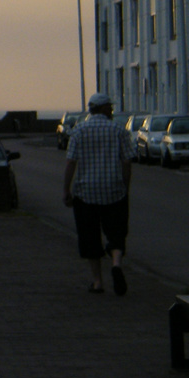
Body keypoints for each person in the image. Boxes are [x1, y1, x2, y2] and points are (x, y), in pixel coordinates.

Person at [64, 92, 133, 295]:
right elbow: (127, 162)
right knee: (117, 231)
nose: (112, 110)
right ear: (103, 109)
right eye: (110, 107)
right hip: (114, 191)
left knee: (89, 237)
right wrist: (125, 187)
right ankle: (116, 264)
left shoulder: (79, 130)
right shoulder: (119, 130)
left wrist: (66, 189)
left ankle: (97, 282)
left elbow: (70, 162)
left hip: (86, 193)